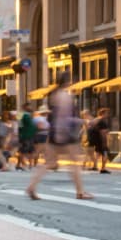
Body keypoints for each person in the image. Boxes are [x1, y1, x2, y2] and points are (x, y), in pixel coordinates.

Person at [25, 72, 93, 200]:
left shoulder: (54, 94)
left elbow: (55, 117)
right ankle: (80, 192)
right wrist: (81, 121)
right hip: (64, 134)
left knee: (49, 163)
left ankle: (31, 187)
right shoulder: (64, 96)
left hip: (53, 133)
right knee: (74, 163)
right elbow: (64, 118)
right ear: (68, 81)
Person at [16, 102, 36, 171]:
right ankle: (23, 165)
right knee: (23, 150)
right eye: (29, 106)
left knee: (30, 150)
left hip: (30, 135)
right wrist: (19, 134)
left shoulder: (30, 115)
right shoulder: (20, 114)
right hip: (24, 135)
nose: (31, 108)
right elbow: (19, 125)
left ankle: (27, 165)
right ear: (25, 107)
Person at [92, 107, 112, 173]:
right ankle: (103, 168)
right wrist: (104, 142)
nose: (108, 115)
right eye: (107, 113)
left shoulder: (96, 120)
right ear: (103, 113)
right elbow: (103, 132)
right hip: (101, 141)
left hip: (96, 140)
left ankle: (94, 166)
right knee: (105, 154)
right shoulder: (102, 121)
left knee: (97, 153)